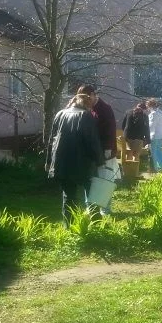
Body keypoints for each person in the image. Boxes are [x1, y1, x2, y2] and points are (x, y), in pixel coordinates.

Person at [46, 93, 105, 225]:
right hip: (82, 162)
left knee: (68, 196)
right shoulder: (86, 116)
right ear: (87, 105)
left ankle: (69, 225)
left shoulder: (60, 114)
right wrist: (100, 160)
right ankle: (96, 223)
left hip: (62, 162)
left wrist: (49, 162)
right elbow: (92, 141)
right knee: (92, 193)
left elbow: (52, 140)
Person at [76, 85, 118, 213]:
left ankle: (105, 209)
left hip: (105, 151)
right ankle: (91, 208)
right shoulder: (87, 109)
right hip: (93, 151)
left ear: (94, 95)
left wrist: (108, 149)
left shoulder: (105, 109)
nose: (85, 100)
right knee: (92, 179)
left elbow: (110, 130)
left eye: (87, 97)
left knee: (105, 179)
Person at [146, 98, 162, 172]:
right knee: (158, 150)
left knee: (153, 152)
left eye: (148, 106)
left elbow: (151, 126)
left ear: (150, 106)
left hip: (155, 135)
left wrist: (148, 137)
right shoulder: (161, 113)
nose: (147, 108)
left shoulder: (153, 114)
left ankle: (154, 168)